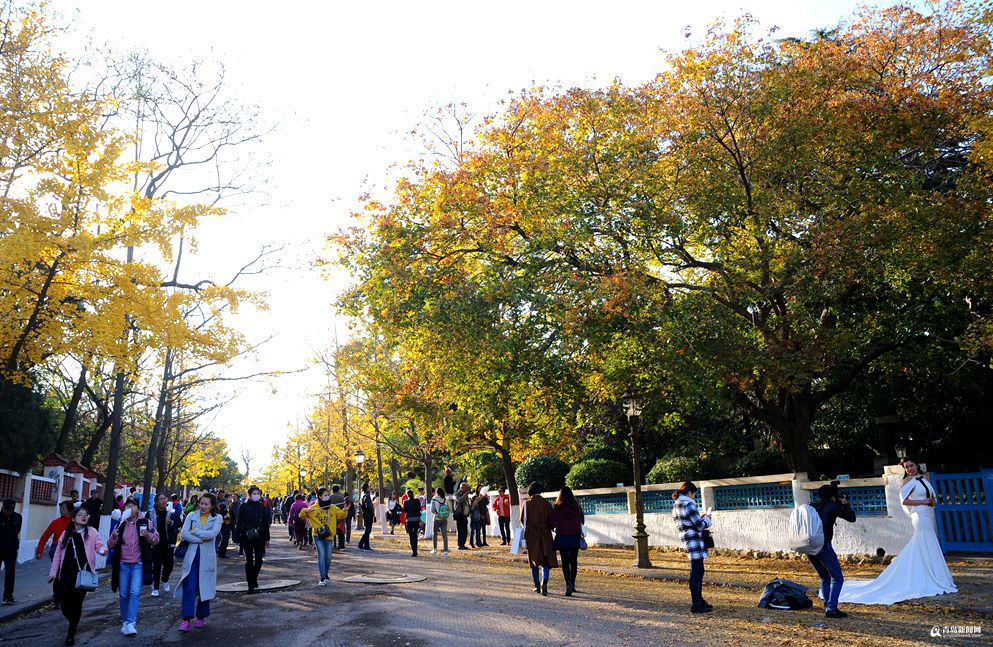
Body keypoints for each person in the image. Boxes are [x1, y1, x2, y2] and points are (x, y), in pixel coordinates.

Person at [837, 458, 956, 604]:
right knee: (924, 539)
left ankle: (932, 573)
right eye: (906, 468)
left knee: (927, 541)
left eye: (911, 466)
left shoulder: (924, 479)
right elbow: (904, 501)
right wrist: (923, 502)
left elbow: (931, 497)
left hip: (927, 513)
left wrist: (932, 501)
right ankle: (926, 575)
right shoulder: (907, 482)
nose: (910, 469)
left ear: (917, 465)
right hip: (918, 514)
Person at [48, 506, 107, 646]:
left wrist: (102, 550)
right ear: (73, 518)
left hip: (83, 574)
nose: (84, 517)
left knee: (77, 604)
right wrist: (53, 573)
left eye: (86, 515)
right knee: (63, 604)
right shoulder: (66, 534)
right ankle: (72, 620)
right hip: (66, 574)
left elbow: (99, 545)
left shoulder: (91, 532)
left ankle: (71, 632)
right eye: (80, 515)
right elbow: (57, 555)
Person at [108, 498, 159, 636]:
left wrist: (148, 535)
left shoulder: (145, 522)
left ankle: (131, 622)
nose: (130, 508)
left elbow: (156, 539)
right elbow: (110, 545)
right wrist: (113, 537)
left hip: (138, 564)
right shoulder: (120, 524)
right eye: (127, 506)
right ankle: (125, 622)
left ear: (137, 508)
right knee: (123, 594)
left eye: (133, 506)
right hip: (123, 564)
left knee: (134, 593)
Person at [808, 483, 856, 618]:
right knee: (837, 578)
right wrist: (845, 504)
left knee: (824, 576)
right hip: (824, 546)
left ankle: (827, 603)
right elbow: (852, 518)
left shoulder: (811, 506)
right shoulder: (832, 507)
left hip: (809, 547)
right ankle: (831, 608)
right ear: (833, 496)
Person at [175, 492, 221, 631]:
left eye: (206, 504)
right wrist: (198, 539)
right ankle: (186, 619)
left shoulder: (217, 518)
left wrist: (195, 532)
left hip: (207, 557)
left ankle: (201, 617)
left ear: (212, 505)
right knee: (189, 587)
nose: (203, 506)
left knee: (204, 587)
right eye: (201, 503)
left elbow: (213, 534)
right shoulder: (191, 516)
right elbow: (184, 534)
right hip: (192, 556)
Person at [673, 482, 713, 614]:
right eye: (694, 493)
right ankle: (696, 603)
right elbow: (700, 525)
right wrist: (707, 519)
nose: (694, 496)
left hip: (687, 539)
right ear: (689, 492)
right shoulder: (688, 504)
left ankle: (699, 600)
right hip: (694, 540)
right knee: (696, 572)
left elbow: (688, 522)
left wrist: (700, 519)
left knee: (698, 570)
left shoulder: (677, 504)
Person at [299, 488, 348, 586]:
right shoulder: (314, 507)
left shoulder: (333, 507)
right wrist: (306, 510)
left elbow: (341, 515)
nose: (327, 497)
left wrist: (345, 509)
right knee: (321, 555)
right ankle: (322, 577)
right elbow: (301, 516)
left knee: (328, 557)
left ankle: (325, 574)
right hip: (318, 535)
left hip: (329, 535)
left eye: (328, 495)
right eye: (325, 495)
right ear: (320, 497)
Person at [36, 501, 74, 608]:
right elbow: (44, 537)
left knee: (68, 575)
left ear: (69, 510)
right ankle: (57, 599)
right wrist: (39, 551)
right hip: (57, 551)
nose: (61, 510)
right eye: (60, 508)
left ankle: (67, 597)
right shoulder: (55, 522)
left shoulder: (74, 522)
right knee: (57, 575)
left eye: (63, 508)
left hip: (70, 552)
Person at [549, 486, 584, 596]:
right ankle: (572, 583)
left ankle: (568, 583)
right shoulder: (577, 508)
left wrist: (553, 528)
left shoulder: (557, 508)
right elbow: (582, 521)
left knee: (565, 561)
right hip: (575, 537)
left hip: (562, 537)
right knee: (573, 561)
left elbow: (551, 523)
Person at [521, 482, 556, 595]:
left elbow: (522, 520)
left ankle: (537, 585)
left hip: (532, 535)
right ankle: (544, 581)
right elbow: (552, 520)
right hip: (545, 535)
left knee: (534, 560)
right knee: (545, 561)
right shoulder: (546, 503)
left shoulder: (527, 504)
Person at [236, 486, 271, 594]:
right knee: (249, 560)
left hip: (259, 536)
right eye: (254, 493)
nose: (256, 495)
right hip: (246, 536)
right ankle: (250, 584)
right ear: (250, 494)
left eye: (258, 493)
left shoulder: (262, 506)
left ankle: (254, 577)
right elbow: (239, 522)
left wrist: (267, 538)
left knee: (259, 560)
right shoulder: (243, 506)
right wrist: (237, 538)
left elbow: (265, 523)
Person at [151, 493, 181, 597]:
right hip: (155, 544)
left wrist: (171, 522)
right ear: (156, 502)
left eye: (165, 498)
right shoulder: (151, 513)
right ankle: (155, 587)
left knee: (169, 564)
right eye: (161, 499)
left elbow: (179, 522)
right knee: (156, 566)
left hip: (169, 543)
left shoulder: (171, 512)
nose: (163, 500)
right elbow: (146, 525)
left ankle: (165, 579)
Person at [0, 498, 23, 605]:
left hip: (11, 550)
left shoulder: (18, 517)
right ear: (2, 508)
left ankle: (8, 596)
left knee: (10, 573)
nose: (9, 512)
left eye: (11, 510)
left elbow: (17, 530)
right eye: (7, 510)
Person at [429, 487, 450, 556]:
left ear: (436, 492)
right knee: (444, 535)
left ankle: (434, 550)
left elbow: (432, 510)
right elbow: (448, 508)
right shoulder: (445, 499)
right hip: (444, 519)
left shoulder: (434, 499)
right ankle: (446, 551)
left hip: (437, 519)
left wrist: (437, 514)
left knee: (435, 534)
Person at [402, 488, 422, 556]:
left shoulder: (405, 502)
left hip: (409, 520)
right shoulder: (417, 500)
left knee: (411, 536)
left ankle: (413, 550)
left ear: (407, 495)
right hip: (416, 519)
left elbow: (404, 511)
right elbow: (419, 509)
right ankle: (416, 550)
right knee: (415, 534)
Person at [357, 483, 375, 551]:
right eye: (369, 487)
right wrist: (372, 512)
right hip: (368, 514)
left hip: (365, 513)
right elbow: (369, 505)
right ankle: (363, 544)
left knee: (367, 530)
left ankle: (363, 544)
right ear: (367, 488)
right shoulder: (367, 495)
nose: (370, 488)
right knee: (368, 530)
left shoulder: (362, 494)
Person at [453, 483, 472, 550]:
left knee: (465, 531)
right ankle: (459, 545)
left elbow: (467, 504)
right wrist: (465, 494)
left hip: (464, 515)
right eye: (465, 488)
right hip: (459, 514)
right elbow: (459, 500)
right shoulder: (457, 494)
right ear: (461, 487)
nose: (466, 489)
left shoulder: (466, 495)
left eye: (466, 488)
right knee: (460, 530)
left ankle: (463, 544)